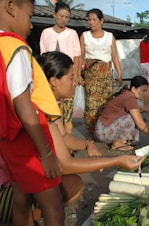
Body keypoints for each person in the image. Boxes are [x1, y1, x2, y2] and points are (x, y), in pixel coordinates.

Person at [0, 51, 144, 225]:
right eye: (70, 78)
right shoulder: (41, 112)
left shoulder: (49, 104)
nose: (76, 82)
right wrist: (116, 160)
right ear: (53, 81)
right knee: (54, 209)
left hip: (18, 180)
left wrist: (87, 144)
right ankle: (33, 213)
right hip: (5, 190)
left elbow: (63, 137)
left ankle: (32, 213)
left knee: (66, 186)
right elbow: (65, 164)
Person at [0, 0, 64, 225]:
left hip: (8, 138)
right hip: (29, 138)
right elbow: (23, 103)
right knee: (54, 207)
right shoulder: (15, 48)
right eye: (29, 16)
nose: (30, 25)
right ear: (10, 7)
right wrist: (46, 154)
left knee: (22, 199)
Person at [80, 8, 123, 141]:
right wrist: (78, 74)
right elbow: (80, 57)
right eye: (89, 20)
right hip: (90, 75)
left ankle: (107, 130)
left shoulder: (109, 36)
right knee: (91, 105)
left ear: (101, 21)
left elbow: (114, 56)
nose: (91, 23)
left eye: (94, 20)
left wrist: (119, 73)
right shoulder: (84, 36)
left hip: (105, 76)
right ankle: (91, 133)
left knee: (106, 104)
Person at [39, 1, 82, 135]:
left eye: (67, 17)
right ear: (54, 15)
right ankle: (55, 140)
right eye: (61, 16)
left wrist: (76, 74)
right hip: (52, 78)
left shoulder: (72, 33)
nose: (64, 20)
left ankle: (68, 141)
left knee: (68, 111)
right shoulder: (46, 33)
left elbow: (77, 56)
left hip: (68, 77)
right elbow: (43, 56)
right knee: (52, 110)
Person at [96, 76, 149, 150]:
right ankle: (118, 143)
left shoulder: (127, 94)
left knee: (137, 117)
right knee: (132, 118)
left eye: (146, 91)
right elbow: (141, 125)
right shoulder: (129, 98)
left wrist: (140, 109)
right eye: (143, 91)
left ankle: (123, 141)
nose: (145, 94)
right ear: (134, 89)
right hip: (104, 132)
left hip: (105, 129)